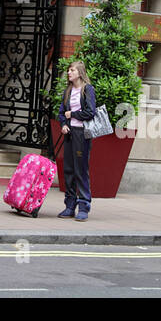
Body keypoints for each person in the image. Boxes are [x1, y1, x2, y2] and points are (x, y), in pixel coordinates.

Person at [57, 60, 96, 222]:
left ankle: (84, 206)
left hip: (81, 135)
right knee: (68, 170)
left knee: (80, 170)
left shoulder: (87, 90)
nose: (69, 73)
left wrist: (72, 115)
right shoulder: (68, 91)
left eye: (72, 70)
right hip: (70, 134)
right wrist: (64, 124)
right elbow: (61, 112)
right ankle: (70, 205)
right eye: (68, 70)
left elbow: (90, 112)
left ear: (79, 72)